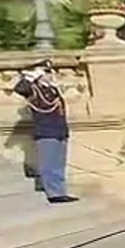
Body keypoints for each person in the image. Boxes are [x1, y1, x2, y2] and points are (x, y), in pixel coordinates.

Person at [12, 61, 77, 203]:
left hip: (59, 130)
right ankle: (54, 194)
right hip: (46, 131)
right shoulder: (34, 89)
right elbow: (19, 88)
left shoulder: (53, 90)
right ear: (40, 74)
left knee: (59, 163)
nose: (51, 75)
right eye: (47, 72)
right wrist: (31, 76)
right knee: (49, 163)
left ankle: (60, 190)